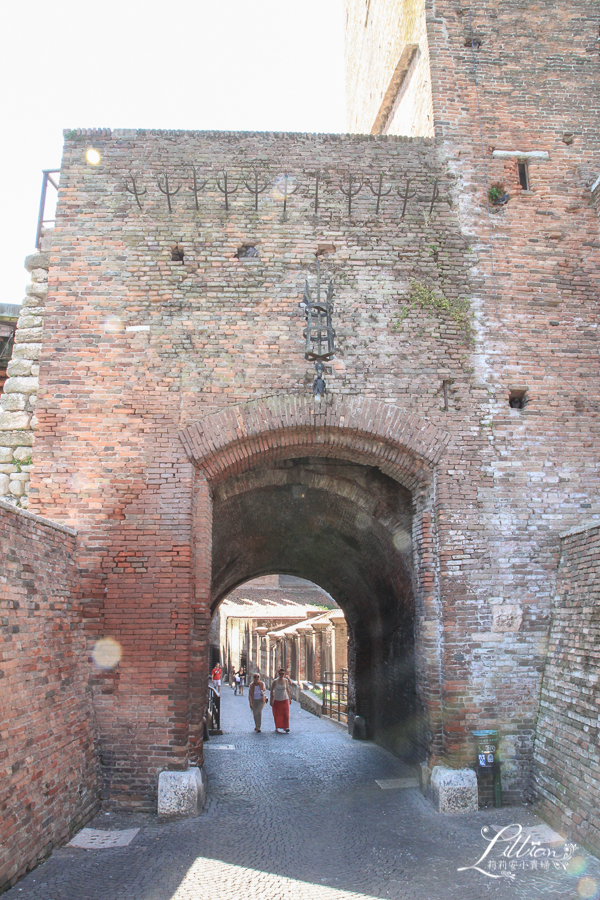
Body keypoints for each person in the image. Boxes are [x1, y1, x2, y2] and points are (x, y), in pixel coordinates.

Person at [270, 668, 292, 733]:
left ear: (284, 674)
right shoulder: (275, 681)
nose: (281, 675)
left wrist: (290, 698)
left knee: (286, 714)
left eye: (283, 674)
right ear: (278, 674)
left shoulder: (286, 681)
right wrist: (271, 699)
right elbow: (271, 690)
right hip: (277, 700)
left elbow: (287, 689)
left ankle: (286, 727)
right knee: (277, 714)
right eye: (280, 674)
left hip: (285, 699)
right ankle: (277, 726)